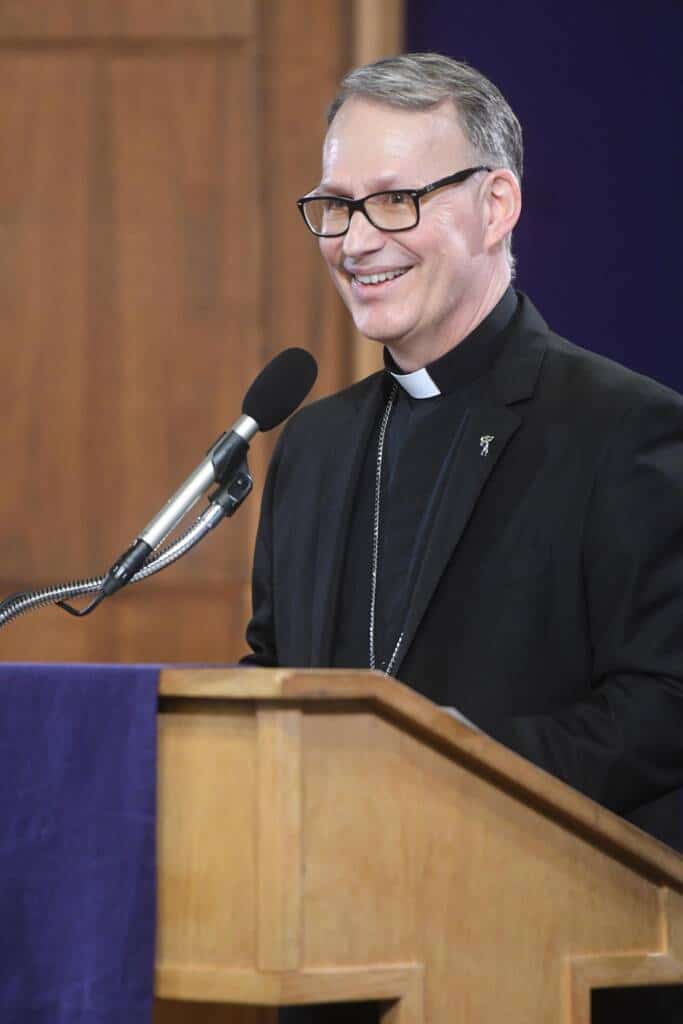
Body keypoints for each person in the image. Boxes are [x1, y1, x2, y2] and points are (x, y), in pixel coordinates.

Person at [243, 52, 683, 1021]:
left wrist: (433, 771)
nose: (356, 239)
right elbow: (273, 671)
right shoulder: (310, 443)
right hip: (329, 961)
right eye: (335, 204)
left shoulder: (623, 429)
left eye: (394, 200)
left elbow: (662, 707)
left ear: (494, 206)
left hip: (539, 956)